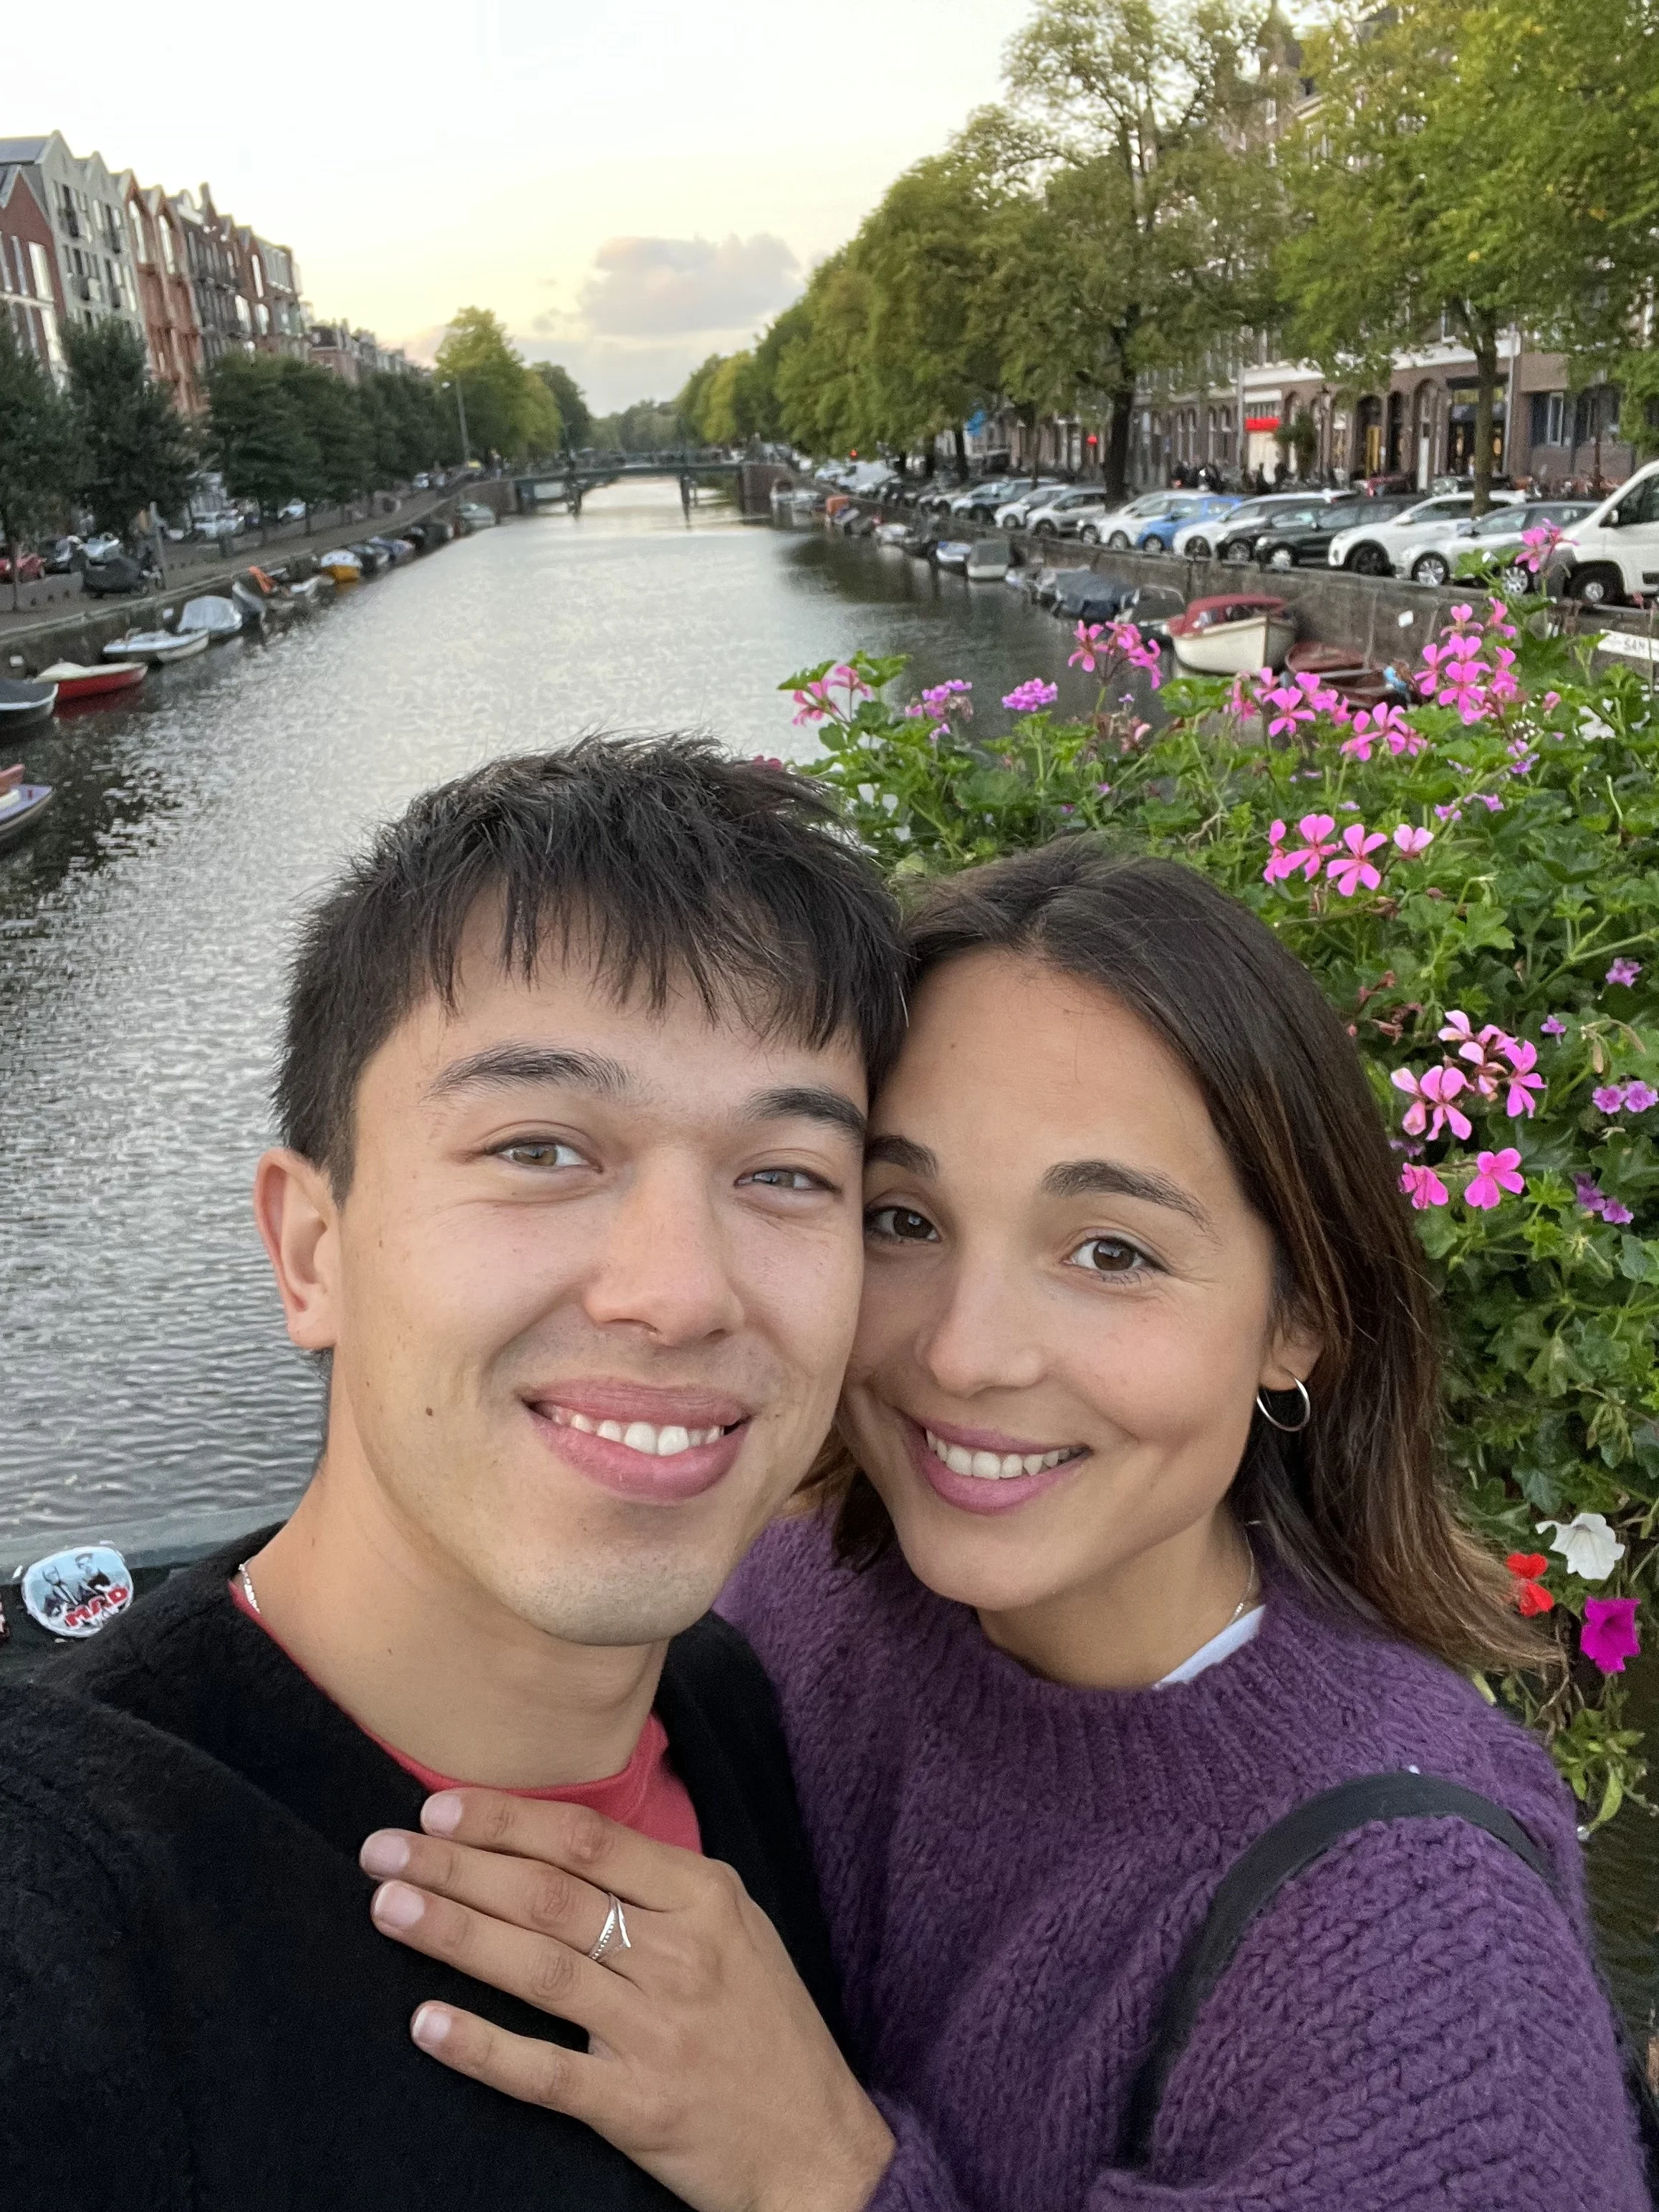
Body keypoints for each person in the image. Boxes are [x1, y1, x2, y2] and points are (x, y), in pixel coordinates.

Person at [372, 843, 1651, 2209]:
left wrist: (817, 2170)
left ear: (1297, 1321)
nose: (970, 1356)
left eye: (1112, 1252)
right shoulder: (794, 1595)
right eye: (904, 1219)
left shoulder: (1423, 1956)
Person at [0, 739, 908, 2212]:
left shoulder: (731, 1708)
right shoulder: (71, 1911)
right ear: (311, 1248)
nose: (680, 1292)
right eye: (542, 1145)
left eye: (789, 1174)